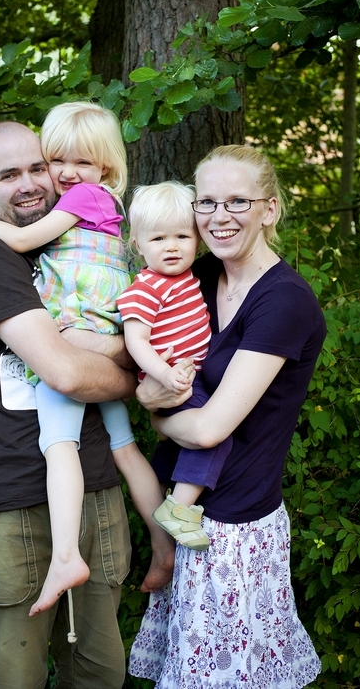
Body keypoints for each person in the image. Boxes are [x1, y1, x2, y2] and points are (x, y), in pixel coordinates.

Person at [0, 120, 180, 689]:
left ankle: (161, 541)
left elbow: (126, 333)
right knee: (17, 678)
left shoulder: (81, 239)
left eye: (37, 167)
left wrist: (120, 352)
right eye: (8, 174)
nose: (29, 183)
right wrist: (134, 375)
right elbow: (68, 373)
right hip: (6, 504)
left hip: (94, 493)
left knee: (100, 674)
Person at [129, 145, 325, 687]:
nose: (219, 216)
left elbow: (212, 426)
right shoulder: (197, 277)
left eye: (238, 201)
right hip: (188, 513)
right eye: (207, 202)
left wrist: (154, 413)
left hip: (234, 527)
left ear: (270, 208)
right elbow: (148, 354)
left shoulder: (283, 301)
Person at [116, 181, 233, 551]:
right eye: (158, 239)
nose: (171, 247)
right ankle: (178, 509)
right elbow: (136, 341)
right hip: (173, 378)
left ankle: (163, 479)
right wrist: (163, 374)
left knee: (181, 444)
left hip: (189, 375)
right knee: (214, 435)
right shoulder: (145, 288)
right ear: (137, 244)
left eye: (182, 236)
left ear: (197, 239)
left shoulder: (189, 278)